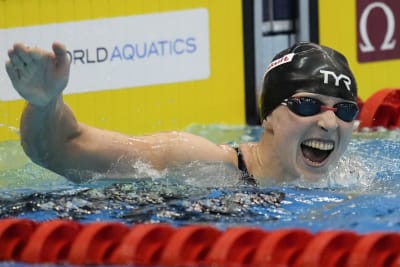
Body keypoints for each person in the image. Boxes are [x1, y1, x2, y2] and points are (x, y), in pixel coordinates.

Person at [5, 41, 359, 185]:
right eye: (308, 104)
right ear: (267, 116)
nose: (328, 123)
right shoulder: (198, 161)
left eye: (344, 110)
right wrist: (45, 103)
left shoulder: (353, 179)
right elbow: (62, 148)